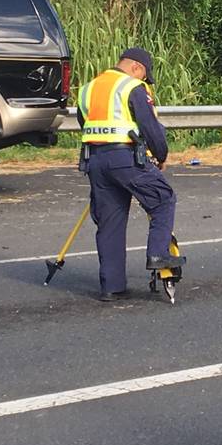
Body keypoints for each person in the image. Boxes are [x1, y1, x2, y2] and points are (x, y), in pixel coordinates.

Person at [77, 47, 184, 301]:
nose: (144, 82)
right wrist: (161, 155)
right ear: (137, 67)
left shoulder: (87, 89)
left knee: (110, 221)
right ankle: (158, 254)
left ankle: (111, 286)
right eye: (144, 76)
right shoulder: (132, 87)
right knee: (162, 199)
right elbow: (150, 127)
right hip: (126, 158)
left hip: (95, 160)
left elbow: (85, 124)